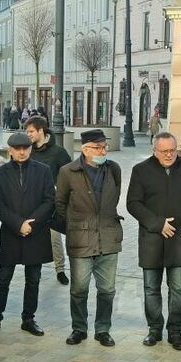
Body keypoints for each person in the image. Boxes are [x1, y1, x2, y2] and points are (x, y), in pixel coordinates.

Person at [126, 132, 181, 351]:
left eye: (172, 150)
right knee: (151, 288)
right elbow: (133, 203)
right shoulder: (141, 170)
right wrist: (157, 224)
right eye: (164, 151)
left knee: (178, 289)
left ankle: (175, 332)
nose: (169, 155)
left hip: (179, 238)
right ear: (154, 150)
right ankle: (154, 330)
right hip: (151, 238)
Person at [0, 132, 55, 337]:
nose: (21, 152)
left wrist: (31, 223)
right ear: (10, 150)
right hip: (12, 232)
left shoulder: (43, 171)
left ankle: (28, 318)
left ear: (30, 149)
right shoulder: (0, 173)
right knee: (4, 277)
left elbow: (49, 200)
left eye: (25, 148)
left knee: (34, 278)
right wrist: (18, 224)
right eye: (17, 149)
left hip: (36, 232)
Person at [56, 129, 124, 347]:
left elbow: (114, 198)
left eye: (104, 146)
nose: (103, 150)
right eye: (98, 147)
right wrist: (76, 226)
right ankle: (79, 328)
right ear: (85, 149)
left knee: (107, 290)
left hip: (108, 237)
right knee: (79, 288)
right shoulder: (68, 171)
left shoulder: (113, 169)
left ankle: (103, 329)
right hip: (80, 238)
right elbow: (60, 204)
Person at [27, 116, 72, 285]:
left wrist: (59, 192)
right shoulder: (28, 150)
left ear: (41, 131)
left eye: (31, 131)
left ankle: (60, 270)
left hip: (51, 204)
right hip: (31, 203)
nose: (28, 134)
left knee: (54, 239)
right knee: (32, 238)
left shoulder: (58, 152)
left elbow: (69, 175)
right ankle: (33, 270)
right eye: (27, 131)